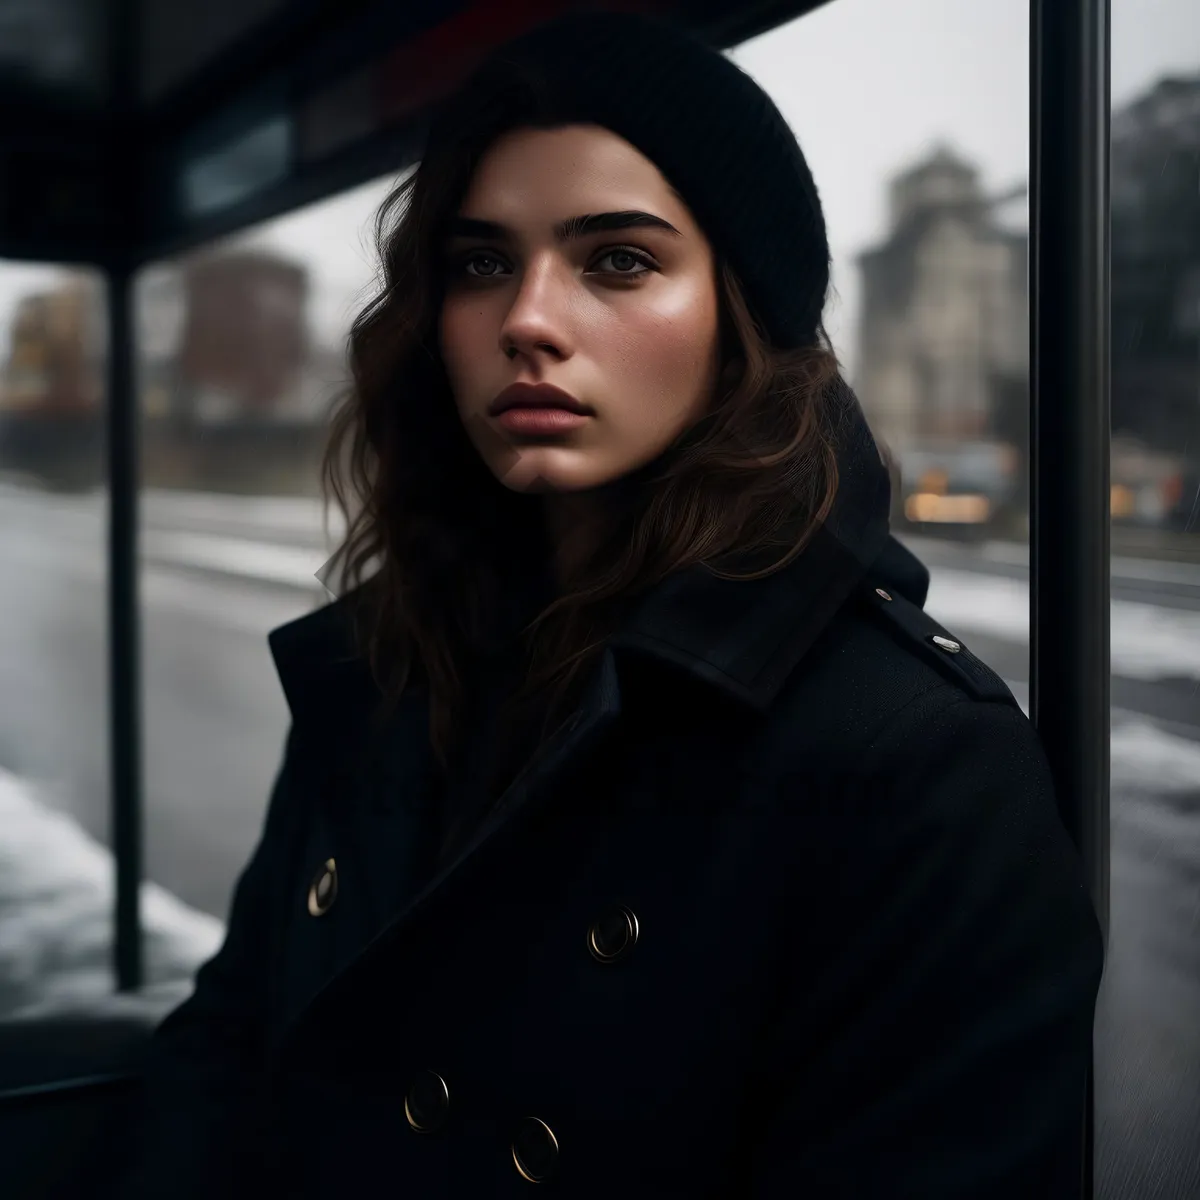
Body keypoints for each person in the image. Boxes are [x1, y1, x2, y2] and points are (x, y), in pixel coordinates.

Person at [120, 10, 1104, 1198]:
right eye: (481, 262)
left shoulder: (919, 764)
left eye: (619, 260)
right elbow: (227, 1052)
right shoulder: (391, 664)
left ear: (743, 317)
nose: (527, 320)